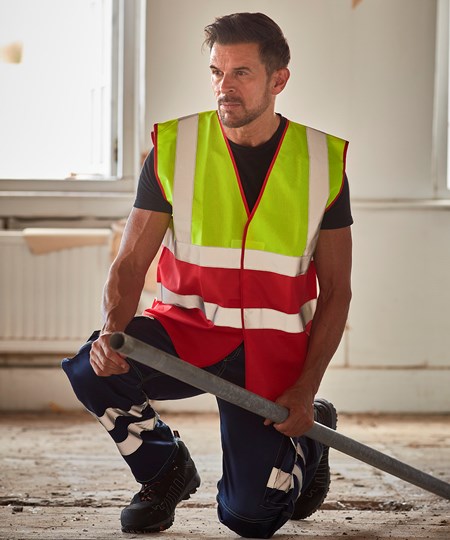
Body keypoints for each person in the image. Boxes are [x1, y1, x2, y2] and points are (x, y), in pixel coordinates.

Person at [62, 12, 352, 539]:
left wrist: (305, 387)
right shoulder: (176, 148)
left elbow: (336, 291)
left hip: (270, 352)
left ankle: (310, 439)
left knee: (250, 519)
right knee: (92, 366)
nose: (224, 87)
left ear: (278, 80)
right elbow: (130, 263)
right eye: (217, 72)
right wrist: (112, 332)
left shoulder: (322, 162)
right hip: (187, 333)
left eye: (241, 73)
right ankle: (165, 470)